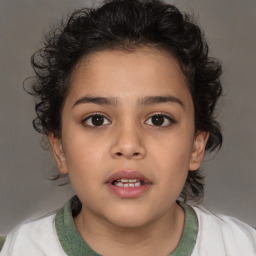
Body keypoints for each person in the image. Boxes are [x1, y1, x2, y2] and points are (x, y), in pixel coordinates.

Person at [1, 0, 256, 255]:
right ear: (60, 150)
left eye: (158, 119)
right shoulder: (23, 248)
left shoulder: (241, 246)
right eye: (97, 120)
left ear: (196, 146)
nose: (128, 145)